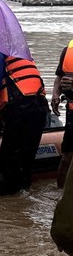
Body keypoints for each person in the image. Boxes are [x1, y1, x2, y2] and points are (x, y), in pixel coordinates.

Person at [0, 45, 48, 195]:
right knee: (25, 160)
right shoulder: (14, 46)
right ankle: (22, 203)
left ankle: (7, 204)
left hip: (21, 106)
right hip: (38, 104)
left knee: (9, 162)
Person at [51, 40, 73, 188]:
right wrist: (55, 94)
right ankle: (60, 198)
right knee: (66, 158)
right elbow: (59, 78)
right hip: (72, 114)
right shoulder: (67, 51)